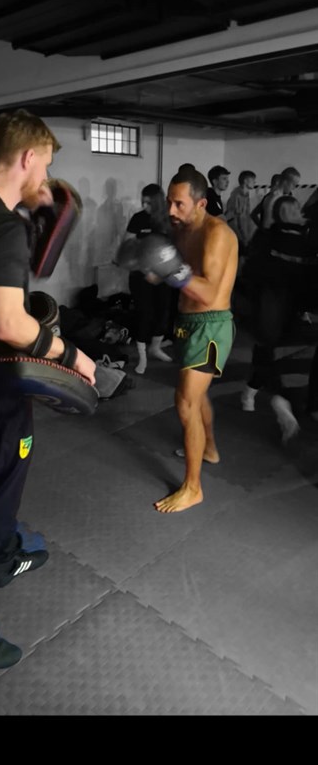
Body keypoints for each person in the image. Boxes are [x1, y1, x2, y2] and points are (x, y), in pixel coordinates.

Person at [0, 109, 96, 670]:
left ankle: (4, 548)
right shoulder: (3, 226)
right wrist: (72, 354)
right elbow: (9, 324)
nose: (47, 177)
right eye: (45, 164)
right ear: (28, 157)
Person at [118, 169, 238, 512]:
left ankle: (193, 488)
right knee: (197, 398)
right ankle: (209, 448)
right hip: (185, 323)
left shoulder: (217, 234)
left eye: (179, 204)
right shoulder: (180, 230)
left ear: (201, 203)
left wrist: (170, 269)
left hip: (211, 328)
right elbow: (165, 274)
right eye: (169, 202)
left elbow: (209, 292)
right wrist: (147, 263)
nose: (171, 210)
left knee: (185, 402)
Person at [241, 195, 318, 440]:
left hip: (274, 310)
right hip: (286, 312)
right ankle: (274, 398)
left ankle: (258, 394)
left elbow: (250, 271)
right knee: (281, 357)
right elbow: (309, 281)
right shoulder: (304, 243)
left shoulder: (273, 238)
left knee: (270, 352)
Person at [124, 184, 173, 374]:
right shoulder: (138, 218)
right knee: (144, 314)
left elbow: (173, 247)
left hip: (162, 275)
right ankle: (142, 356)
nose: (144, 206)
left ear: (158, 202)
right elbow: (127, 246)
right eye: (142, 201)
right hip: (140, 275)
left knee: (163, 312)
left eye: (148, 202)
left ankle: (155, 347)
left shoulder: (168, 220)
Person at [224, 170, 257, 257]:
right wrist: (242, 237)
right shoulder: (236, 195)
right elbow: (233, 217)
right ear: (245, 181)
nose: (255, 182)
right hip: (237, 233)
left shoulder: (246, 194)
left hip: (243, 232)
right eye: (253, 180)